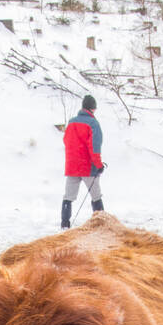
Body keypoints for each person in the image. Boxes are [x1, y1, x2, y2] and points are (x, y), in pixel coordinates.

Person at [61, 95, 106, 229]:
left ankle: (64, 224)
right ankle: (102, 225)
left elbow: (66, 141)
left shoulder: (71, 122)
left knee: (68, 196)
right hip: (88, 167)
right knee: (96, 196)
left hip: (72, 166)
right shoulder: (93, 123)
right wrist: (99, 165)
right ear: (93, 109)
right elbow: (95, 147)